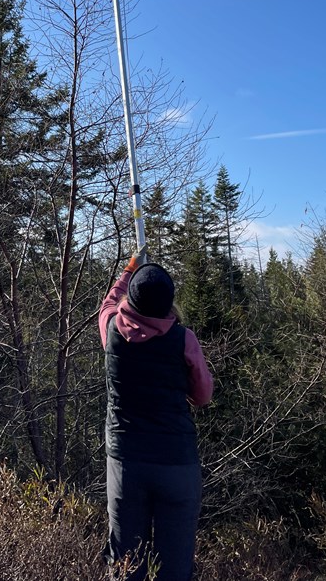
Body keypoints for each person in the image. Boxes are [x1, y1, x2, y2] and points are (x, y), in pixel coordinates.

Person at [99, 248, 213, 581]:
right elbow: (203, 396)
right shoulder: (183, 339)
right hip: (176, 464)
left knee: (125, 565)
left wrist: (130, 269)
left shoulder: (113, 333)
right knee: (174, 569)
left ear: (131, 299)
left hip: (127, 464)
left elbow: (107, 304)